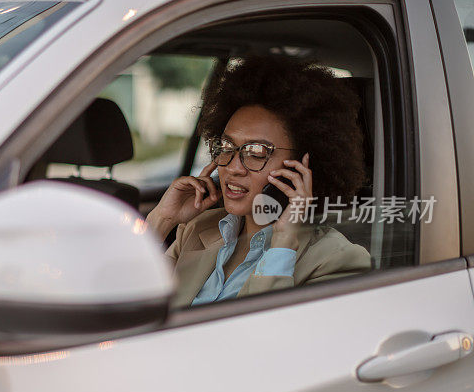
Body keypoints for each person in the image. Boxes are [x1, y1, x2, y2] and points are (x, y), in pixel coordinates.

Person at [146, 56, 371, 309]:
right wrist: (161, 220)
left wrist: (284, 243)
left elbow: (273, 339)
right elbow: (129, 304)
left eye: (256, 153)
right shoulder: (197, 230)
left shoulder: (335, 259)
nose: (232, 167)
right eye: (227, 146)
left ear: (302, 166)